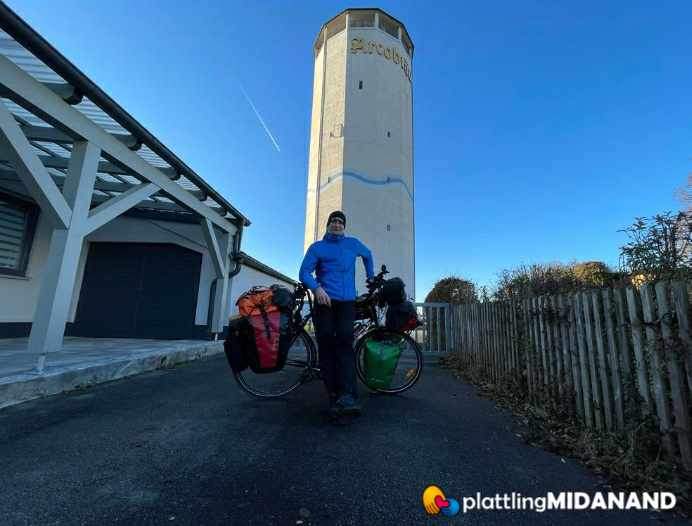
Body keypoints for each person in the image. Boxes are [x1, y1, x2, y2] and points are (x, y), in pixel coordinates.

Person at [299, 210, 374, 418]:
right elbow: (304, 272)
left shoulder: (353, 244)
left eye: (340, 221)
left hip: (347, 302)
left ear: (344, 226)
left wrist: (371, 277)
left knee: (344, 341)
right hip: (325, 302)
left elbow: (368, 255)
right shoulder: (318, 247)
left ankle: (349, 395)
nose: (337, 224)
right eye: (333, 221)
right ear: (328, 225)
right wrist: (316, 288)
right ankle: (333, 394)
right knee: (326, 342)